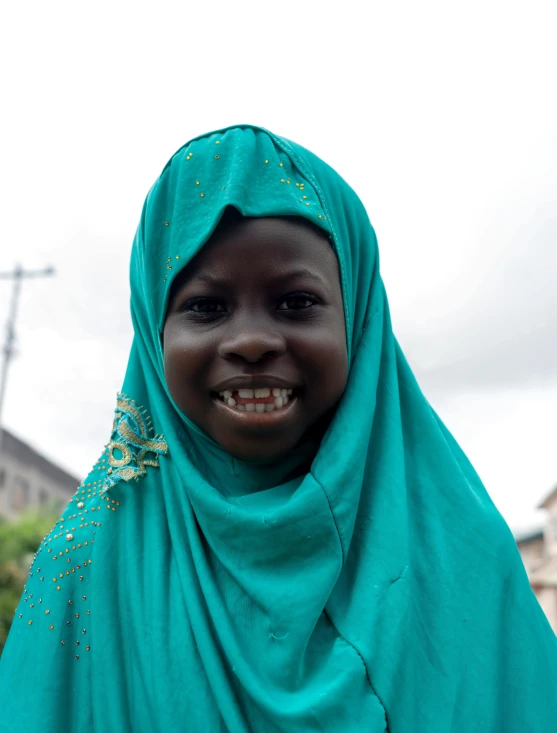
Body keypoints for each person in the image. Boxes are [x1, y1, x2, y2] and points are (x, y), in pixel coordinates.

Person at [1, 125, 556, 732]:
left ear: (360, 319)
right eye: (205, 307)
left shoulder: (463, 557)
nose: (252, 341)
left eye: (296, 303)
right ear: (153, 332)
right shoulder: (84, 572)